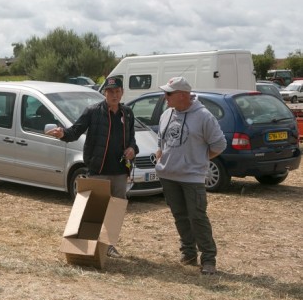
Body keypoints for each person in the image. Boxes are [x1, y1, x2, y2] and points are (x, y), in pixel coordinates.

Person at [47, 77, 138, 258]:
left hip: (120, 171)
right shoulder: (93, 111)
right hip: (98, 170)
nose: (114, 95)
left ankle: (108, 246)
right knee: (94, 210)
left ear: (122, 92)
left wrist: (132, 150)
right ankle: (86, 246)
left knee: (115, 211)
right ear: (104, 93)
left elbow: (132, 140)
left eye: (117, 91)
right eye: (110, 91)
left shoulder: (127, 113)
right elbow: (75, 131)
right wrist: (62, 133)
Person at [155, 76, 226, 275]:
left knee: (197, 217)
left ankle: (208, 259)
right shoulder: (166, 115)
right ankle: (188, 253)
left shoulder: (203, 116)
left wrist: (199, 160)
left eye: (169, 93)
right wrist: (160, 156)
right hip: (168, 176)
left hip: (192, 178)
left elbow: (219, 145)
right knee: (180, 216)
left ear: (183, 95)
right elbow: (162, 143)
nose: (165, 97)